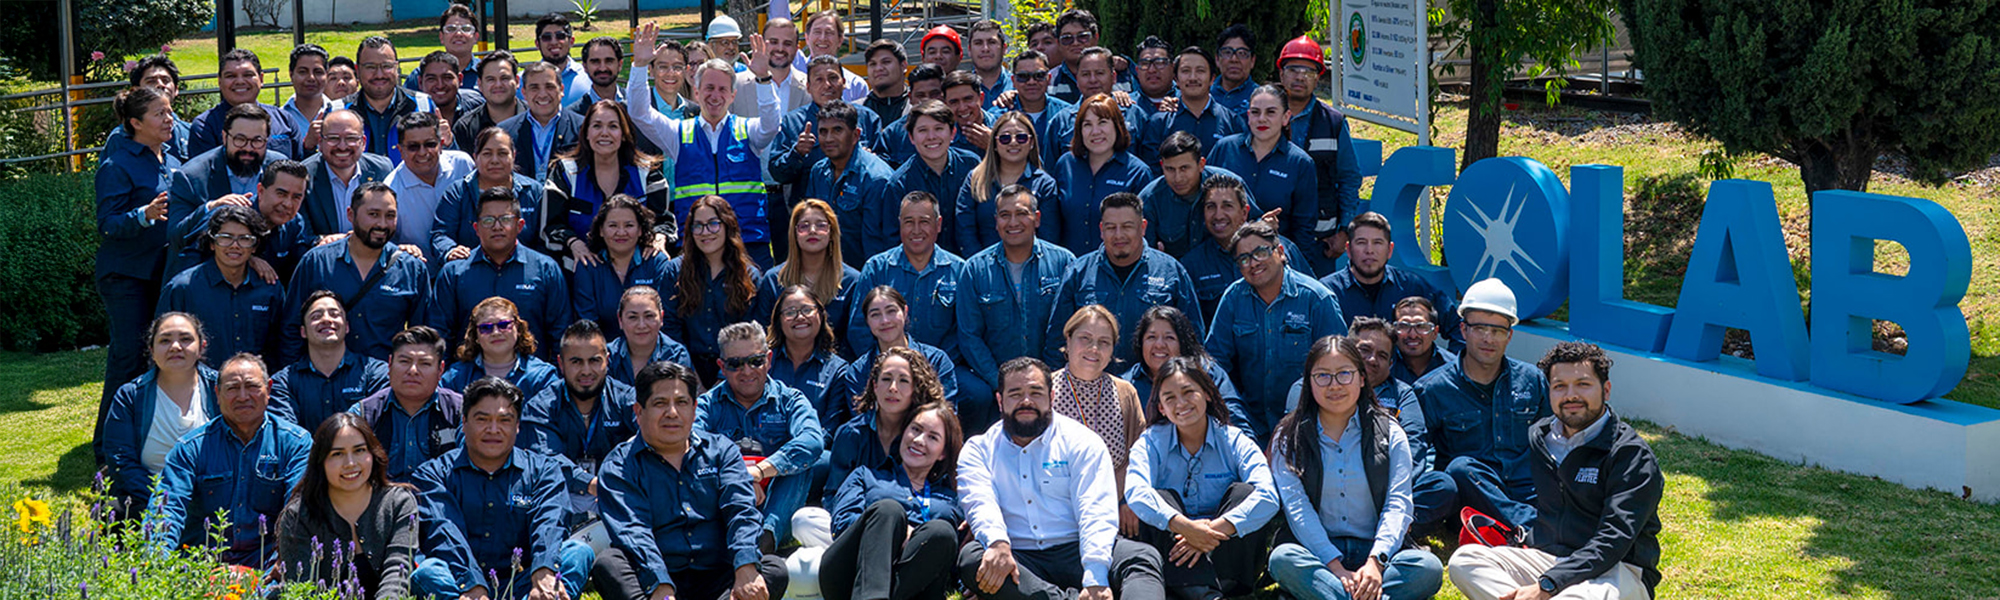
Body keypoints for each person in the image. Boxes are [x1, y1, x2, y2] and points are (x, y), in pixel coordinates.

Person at [1447, 342, 1664, 600]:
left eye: (1583, 384)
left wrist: (1550, 584)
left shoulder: (1631, 454)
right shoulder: (1541, 438)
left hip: (1618, 570)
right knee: (1465, 560)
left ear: (1606, 390)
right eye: (1560, 386)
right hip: (1553, 559)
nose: (1571, 395)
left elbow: (1614, 540)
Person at [954, 357, 1165, 600]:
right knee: (973, 558)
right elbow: (980, 504)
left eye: (1036, 392)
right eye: (1015, 394)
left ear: (1052, 397)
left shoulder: (1082, 442)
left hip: (1077, 547)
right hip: (1018, 556)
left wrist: (1096, 577)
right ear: (1000, 401)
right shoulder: (978, 450)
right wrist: (998, 543)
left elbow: (1095, 510)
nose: (1026, 401)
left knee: (1141, 557)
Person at [590, 360, 791, 600]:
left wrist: (745, 566)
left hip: (719, 576)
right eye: (660, 403)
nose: (672, 413)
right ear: (638, 412)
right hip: (655, 576)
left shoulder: (721, 451)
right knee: (609, 564)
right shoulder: (619, 466)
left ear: (694, 409)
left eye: (681, 403)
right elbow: (633, 533)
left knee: (772, 569)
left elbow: (741, 511)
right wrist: (660, 586)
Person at [1265, 336, 1446, 600]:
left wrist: (1376, 563)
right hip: (1317, 552)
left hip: (1377, 550)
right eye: (1322, 376)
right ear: (1308, 382)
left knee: (1427, 568)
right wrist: (1334, 567)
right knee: (1282, 559)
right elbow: (1297, 508)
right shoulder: (1288, 435)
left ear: (1362, 378)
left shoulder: (1390, 432)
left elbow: (1398, 504)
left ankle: (1332, 595)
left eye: (1344, 374)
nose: (1334, 385)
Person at [411, 377, 595, 600]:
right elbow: (444, 533)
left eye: (504, 420)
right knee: (429, 571)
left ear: (518, 426)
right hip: (461, 583)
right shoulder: (433, 474)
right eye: (482, 419)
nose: (493, 429)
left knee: (577, 553)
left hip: (525, 582)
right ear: (464, 421)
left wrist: (543, 571)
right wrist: (472, 585)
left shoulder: (543, 470)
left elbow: (550, 524)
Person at [626, 23, 786, 267]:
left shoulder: (748, 131)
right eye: (709, 88)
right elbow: (639, 112)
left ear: (732, 96)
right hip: (696, 244)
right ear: (697, 93)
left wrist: (764, 79)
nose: (715, 95)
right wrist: (638, 66)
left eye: (723, 89)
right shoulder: (678, 133)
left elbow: (772, 124)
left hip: (748, 243)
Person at [1124, 358, 1280, 599]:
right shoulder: (1150, 442)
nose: (1181, 403)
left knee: (1245, 493)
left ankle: (1199, 590)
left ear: (1207, 394)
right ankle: (1206, 593)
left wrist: (1210, 532)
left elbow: (1269, 495)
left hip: (1227, 560)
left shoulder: (1233, 439)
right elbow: (1135, 491)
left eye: (1189, 392)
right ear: (1161, 408)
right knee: (1159, 497)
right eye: (1170, 398)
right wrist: (1183, 526)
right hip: (1174, 554)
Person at [147, 353, 311, 567]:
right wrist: (157, 562)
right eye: (232, 388)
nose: (243, 396)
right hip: (201, 565)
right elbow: (168, 507)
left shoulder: (295, 444)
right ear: (217, 393)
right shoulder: (190, 448)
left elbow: (299, 511)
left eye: (252, 386)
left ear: (269, 389)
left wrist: (282, 562)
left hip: (269, 565)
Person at [1414, 278, 1549, 531]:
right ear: (1464, 330)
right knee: (1460, 467)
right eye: (1480, 329)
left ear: (1509, 335)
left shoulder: (1532, 380)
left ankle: (1511, 528)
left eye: (1498, 330)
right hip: (1472, 497)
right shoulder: (1432, 389)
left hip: (1528, 493)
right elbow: (1415, 455)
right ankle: (1531, 529)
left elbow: (1555, 441)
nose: (1488, 338)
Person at [1205, 221, 1345, 442]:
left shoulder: (1317, 299)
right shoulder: (1233, 298)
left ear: (1280, 252)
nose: (1253, 263)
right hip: (1249, 427)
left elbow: (1340, 367)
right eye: (1244, 258)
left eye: (1260, 252)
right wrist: (1236, 421)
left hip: (1311, 427)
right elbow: (1214, 364)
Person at [955, 185, 1074, 433]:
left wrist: (1046, 380)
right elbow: (969, 336)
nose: (1013, 222)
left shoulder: (1064, 263)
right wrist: (1000, 382)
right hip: (994, 386)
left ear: (1037, 218)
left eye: (1021, 213)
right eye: (1005, 215)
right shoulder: (975, 269)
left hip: (1054, 381)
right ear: (996, 221)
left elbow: (1069, 327)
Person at [698, 322, 828, 547]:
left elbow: (812, 441)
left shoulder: (790, 400)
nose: (747, 371)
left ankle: (765, 541)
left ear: (768, 360)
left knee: (806, 461)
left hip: (781, 501)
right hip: (726, 500)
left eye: (755, 361)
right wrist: (742, 477)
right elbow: (691, 444)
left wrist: (760, 471)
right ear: (722, 366)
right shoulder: (707, 405)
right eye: (735, 364)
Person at [819, 402, 966, 600]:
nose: (920, 440)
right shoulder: (866, 476)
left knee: (942, 531)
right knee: (888, 510)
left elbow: (956, 556)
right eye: (916, 429)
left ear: (943, 453)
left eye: (933, 437)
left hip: (913, 585)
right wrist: (893, 532)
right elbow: (841, 525)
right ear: (904, 432)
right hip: (849, 574)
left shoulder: (952, 501)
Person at [96, 87, 182, 420]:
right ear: (135, 122)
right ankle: (107, 451)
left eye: (170, 111)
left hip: (162, 273)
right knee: (128, 357)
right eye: (160, 114)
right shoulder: (117, 165)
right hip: (126, 276)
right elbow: (107, 223)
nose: (169, 119)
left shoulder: (172, 159)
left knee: (158, 359)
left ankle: (147, 435)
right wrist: (143, 215)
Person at [1044, 192, 1203, 368]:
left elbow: (1193, 341)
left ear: (1143, 227)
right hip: (1091, 388)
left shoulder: (1171, 272)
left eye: (1127, 226)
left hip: (1153, 388)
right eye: (1111, 227)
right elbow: (1056, 342)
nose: (1119, 235)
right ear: (1101, 229)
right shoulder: (1077, 273)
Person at [281, 182, 432, 363]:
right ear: (350, 215)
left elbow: (422, 337)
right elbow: (291, 328)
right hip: (325, 379)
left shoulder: (412, 269)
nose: (382, 224)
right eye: (373, 214)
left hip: (385, 382)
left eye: (390, 216)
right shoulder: (316, 262)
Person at [276, 413, 422, 600]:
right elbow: (302, 588)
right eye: (337, 454)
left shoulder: (398, 503)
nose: (350, 464)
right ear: (320, 462)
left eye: (359, 450)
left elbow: (397, 571)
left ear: (372, 454)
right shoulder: (298, 516)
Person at [99, 312, 219, 515]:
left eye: (186, 339)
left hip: (212, 498)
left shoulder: (221, 389)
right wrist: (163, 499)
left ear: (202, 347)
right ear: (151, 350)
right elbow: (120, 461)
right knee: (113, 512)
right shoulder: (130, 397)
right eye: (165, 340)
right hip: (149, 498)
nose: (175, 347)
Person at [430, 187, 572, 353]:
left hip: (531, 376)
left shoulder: (546, 270)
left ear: (520, 226)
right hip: (469, 374)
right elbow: (439, 336)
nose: (497, 227)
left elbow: (560, 334)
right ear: (476, 228)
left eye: (505, 219)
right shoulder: (453, 273)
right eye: (488, 220)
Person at [522, 319, 640, 515]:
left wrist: (614, 480)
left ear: (607, 361)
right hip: (560, 495)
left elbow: (651, 436)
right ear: (560, 363)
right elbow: (546, 459)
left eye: (594, 360)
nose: (586, 371)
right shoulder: (541, 406)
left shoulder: (628, 399)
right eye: (576, 362)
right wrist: (591, 483)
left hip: (618, 492)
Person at [846, 191, 970, 374]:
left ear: (938, 224)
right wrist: (888, 367)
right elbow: (859, 329)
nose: (916, 230)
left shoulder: (959, 271)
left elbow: (965, 331)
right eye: (909, 222)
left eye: (924, 222)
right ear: (900, 224)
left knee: (979, 394)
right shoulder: (877, 269)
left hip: (941, 369)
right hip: (884, 369)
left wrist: (935, 367)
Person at [1276, 35, 1367, 277]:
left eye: (1308, 71)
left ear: (1318, 77)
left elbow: (1349, 177)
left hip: (1319, 241)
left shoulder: (1333, 122)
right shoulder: (1263, 116)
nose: (1299, 77)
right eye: (1293, 69)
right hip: (1272, 235)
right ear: (1281, 74)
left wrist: (1344, 230)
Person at [542, 101, 671, 266]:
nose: (604, 133)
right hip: (579, 271)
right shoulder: (565, 172)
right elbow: (551, 225)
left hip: (637, 271)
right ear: (586, 133)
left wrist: (660, 237)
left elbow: (663, 221)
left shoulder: (646, 173)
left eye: (613, 126)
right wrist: (573, 242)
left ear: (623, 134)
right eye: (597, 126)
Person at [166, 103, 287, 276]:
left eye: (257, 141)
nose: (248, 148)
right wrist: (211, 208)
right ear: (224, 137)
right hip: (204, 278)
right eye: (240, 139)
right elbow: (175, 236)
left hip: (267, 276)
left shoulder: (278, 169)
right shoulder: (191, 176)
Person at [157, 205, 286, 368]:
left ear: (255, 246)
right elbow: (161, 345)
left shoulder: (269, 289)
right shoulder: (183, 288)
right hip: (197, 387)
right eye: (226, 237)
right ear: (212, 243)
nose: (235, 245)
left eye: (244, 239)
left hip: (251, 388)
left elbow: (280, 345)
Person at [1048, 306, 1146, 511]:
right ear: (1068, 339)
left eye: (1104, 342)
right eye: (1085, 338)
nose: (1094, 349)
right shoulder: (1043, 391)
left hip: (1112, 507)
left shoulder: (1126, 392)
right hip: (1053, 509)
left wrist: (1127, 501)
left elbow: (1139, 456)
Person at [664, 196, 770, 383]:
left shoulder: (749, 276)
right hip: (684, 369)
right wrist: (690, 379)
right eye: (698, 225)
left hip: (735, 370)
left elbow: (750, 331)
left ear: (728, 225)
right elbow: (670, 330)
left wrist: (724, 377)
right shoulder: (674, 271)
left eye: (713, 224)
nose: (705, 232)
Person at [1322, 212, 1464, 349]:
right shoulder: (1327, 292)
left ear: (1390, 250)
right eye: (1361, 242)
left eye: (1377, 242)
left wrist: (1449, 369)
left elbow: (1458, 328)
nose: (1369, 250)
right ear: (1348, 250)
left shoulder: (1411, 287)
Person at [167, 158, 317, 286]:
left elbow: (300, 266)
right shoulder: (226, 216)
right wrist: (243, 258)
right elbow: (186, 265)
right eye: (281, 194)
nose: (288, 204)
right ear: (261, 191)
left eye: (296, 197)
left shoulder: (294, 224)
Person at [1179, 176, 1310, 321]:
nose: (1218, 215)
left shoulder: (1280, 248)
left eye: (1227, 206)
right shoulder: (1192, 264)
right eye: (1211, 207)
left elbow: (1311, 298)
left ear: (1244, 212)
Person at [768, 58, 888, 215]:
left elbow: (886, 165)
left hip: (859, 216)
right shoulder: (793, 122)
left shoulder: (867, 118)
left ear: (844, 82)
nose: (827, 85)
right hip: (809, 219)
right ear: (808, 87)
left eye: (833, 78)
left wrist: (870, 159)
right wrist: (797, 153)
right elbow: (777, 173)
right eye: (819, 79)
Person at [347, 326, 463, 482]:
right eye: (404, 361)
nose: (413, 370)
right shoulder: (363, 414)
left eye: (424, 363)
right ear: (389, 364)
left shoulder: (461, 411)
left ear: (440, 370)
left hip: (443, 502)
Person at [826, 346, 949, 495]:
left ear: (916, 389)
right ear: (875, 386)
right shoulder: (851, 434)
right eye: (886, 379)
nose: (893, 388)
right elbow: (834, 493)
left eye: (903, 380)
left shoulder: (923, 438)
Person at [1206, 85, 1318, 245]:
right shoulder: (1224, 148)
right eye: (1255, 112)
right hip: (1219, 250)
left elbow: (1304, 228)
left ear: (1286, 118)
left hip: (1271, 256)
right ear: (1248, 116)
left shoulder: (1300, 163)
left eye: (1270, 112)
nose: (1262, 119)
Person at [840, 287, 962, 428]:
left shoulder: (937, 361)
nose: (885, 320)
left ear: (905, 312)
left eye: (891, 311)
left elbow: (946, 416)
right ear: (867, 321)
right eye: (875, 315)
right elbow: (862, 421)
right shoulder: (858, 372)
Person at [792, 101, 896, 267]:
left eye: (837, 130)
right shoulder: (818, 172)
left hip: (864, 274)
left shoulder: (876, 178)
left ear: (855, 135)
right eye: (823, 132)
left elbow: (877, 245)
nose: (828, 139)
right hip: (825, 272)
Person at [270, 291, 390, 432]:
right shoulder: (284, 383)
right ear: (303, 332)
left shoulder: (376, 374)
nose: (326, 320)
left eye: (335, 314)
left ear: (346, 327)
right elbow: (288, 438)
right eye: (316, 316)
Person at [1052, 94, 1152, 255]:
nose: (1095, 131)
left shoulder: (1138, 172)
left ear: (1118, 126)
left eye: (1103, 122)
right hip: (1071, 268)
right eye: (1087, 125)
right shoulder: (1065, 165)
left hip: (1119, 267)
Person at [433, 126, 549, 263]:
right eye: (487, 154)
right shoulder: (458, 192)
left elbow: (545, 239)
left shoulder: (533, 191)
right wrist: (450, 250)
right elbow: (441, 234)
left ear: (514, 155)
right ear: (475, 158)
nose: (495, 160)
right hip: (470, 270)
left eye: (502, 153)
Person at [883, 100, 983, 256]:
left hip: (970, 263)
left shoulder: (972, 165)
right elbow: (893, 239)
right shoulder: (899, 184)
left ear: (952, 133)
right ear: (911, 137)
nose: (931, 137)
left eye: (939, 129)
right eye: (923, 130)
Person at [955, 112, 1062, 251]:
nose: (1013, 142)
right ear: (994, 143)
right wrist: (981, 266)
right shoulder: (975, 180)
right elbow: (965, 231)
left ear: (1031, 143)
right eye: (1005, 138)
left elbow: (1049, 234)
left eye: (1021, 137)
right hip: (983, 268)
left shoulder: (1045, 184)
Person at [383, 111, 477, 266]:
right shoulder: (391, 190)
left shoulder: (463, 164)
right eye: (413, 147)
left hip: (470, 267)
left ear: (441, 144)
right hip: (422, 275)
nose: (422, 152)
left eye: (430, 144)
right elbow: (388, 242)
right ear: (400, 151)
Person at [573, 195, 673, 333]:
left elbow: (667, 319)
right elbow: (588, 324)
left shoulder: (656, 262)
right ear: (601, 230)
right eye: (613, 225)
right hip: (604, 351)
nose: (621, 232)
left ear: (640, 230)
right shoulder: (588, 266)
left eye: (629, 225)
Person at [1120, 306, 1242, 417]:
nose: (1159, 345)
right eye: (1151, 337)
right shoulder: (1127, 384)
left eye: (1169, 337)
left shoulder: (1207, 372)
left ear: (1182, 343)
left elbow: (1234, 416)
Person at [763, 199, 861, 338]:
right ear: (794, 233)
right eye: (804, 226)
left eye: (821, 225)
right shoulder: (773, 280)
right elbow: (764, 332)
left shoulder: (852, 281)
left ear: (831, 232)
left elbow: (856, 335)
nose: (812, 231)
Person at [1139, 132, 1243, 258]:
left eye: (1184, 168)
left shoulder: (1228, 185)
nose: (1178, 178)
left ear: (1201, 165)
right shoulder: (1150, 199)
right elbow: (1144, 252)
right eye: (1170, 169)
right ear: (1162, 166)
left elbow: (1254, 221)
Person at [1044, 48, 1149, 170]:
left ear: (1113, 77)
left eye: (1099, 73)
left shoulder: (1135, 115)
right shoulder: (1061, 121)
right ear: (1077, 80)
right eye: (1085, 74)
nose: (1093, 80)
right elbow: (1051, 172)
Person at [1144, 47, 1242, 175]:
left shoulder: (1233, 122)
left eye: (1200, 71)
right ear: (1176, 80)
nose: (1193, 77)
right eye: (1186, 71)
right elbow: (1153, 170)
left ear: (1212, 79)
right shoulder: (1160, 123)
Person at [440, 296, 561, 396]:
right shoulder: (455, 377)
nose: (496, 333)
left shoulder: (542, 377)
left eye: (503, 325)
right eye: (486, 328)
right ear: (475, 335)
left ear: (517, 328)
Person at [188, 49, 297, 159]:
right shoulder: (205, 126)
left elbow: (299, 166)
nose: (240, 81)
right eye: (231, 76)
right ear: (219, 82)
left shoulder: (284, 120)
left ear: (261, 79)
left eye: (248, 75)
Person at [300, 109, 395, 237]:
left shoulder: (382, 169)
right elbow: (301, 235)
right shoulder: (303, 176)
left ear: (363, 143)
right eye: (333, 138)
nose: (342, 146)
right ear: (320, 142)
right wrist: (322, 241)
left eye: (351, 138)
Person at [767, 286, 852, 427]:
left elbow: (830, 428)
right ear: (778, 320)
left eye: (807, 310)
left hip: (814, 447)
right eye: (790, 312)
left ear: (821, 315)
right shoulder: (762, 361)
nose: (800, 317)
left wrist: (799, 448)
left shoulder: (838, 371)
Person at [347, 37, 435, 163]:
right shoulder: (339, 110)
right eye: (370, 67)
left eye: (386, 66)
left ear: (396, 67)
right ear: (357, 69)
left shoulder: (423, 105)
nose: (379, 74)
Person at [497, 62, 585, 180]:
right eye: (534, 88)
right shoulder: (505, 131)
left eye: (549, 87)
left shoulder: (582, 127)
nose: (542, 94)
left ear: (561, 90)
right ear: (524, 93)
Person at [996, 50, 1076, 171]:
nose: (1031, 82)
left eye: (1039, 76)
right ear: (1013, 81)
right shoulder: (998, 117)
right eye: (1023, 77)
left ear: (1049, 78)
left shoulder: (1068, 115)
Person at [103, 55, 192, 162]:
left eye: (166, 80)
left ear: (176, 89)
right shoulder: (121, 137)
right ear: (135, 91)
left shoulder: (189, 132)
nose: (160, 85)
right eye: (151, 81)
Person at [607, 286, 694, 386]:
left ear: (661, 318)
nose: (641, 325)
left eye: (649, 316)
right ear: (620, 320)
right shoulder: (608, 356)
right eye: (633, 317)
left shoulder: (676, 356)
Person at [731, 18, 811, 119]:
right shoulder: (735, 85)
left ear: (796, 49)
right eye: (773, 42)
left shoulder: (810, 87)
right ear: (761, 44)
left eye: (787, 44)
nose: (780, 49)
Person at [401, 3, 483, 91]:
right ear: (441, 37)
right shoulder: (420, 75)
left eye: (466, 29)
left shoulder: (486, 73)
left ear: (476, 37)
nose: (459, 34)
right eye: (451, 29)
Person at [453, 51, 524, 152]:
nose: (498, 85)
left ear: (517, 81)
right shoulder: (465, 128)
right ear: (480, 84)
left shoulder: (535, 119)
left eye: (504, 78)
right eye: (491, 79)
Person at [794, 10, 871, 102]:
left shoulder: (856, 86)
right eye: (817, 32)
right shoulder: (793, 77)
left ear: (840, 40)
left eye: (829, 32)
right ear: (807, 38)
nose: (823, 38)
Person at [283, 44, 338, 159]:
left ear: (327, 75)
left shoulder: (341, 112)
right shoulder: (280, 119)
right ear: (291, 74)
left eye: (318, 72)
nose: (311, 78)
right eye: (303, 72)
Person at [415, 52, 485, 140]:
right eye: (431, 79)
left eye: (447, 78)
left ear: (460, 79)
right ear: (420, 82)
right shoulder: (411, 112)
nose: (440, 85)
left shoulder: (477, 105)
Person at [1391, 297, 1457, 385]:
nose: (1413, 335)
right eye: (1404, 326)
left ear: (1434, 332)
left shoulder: (1453, 368)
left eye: (1421, 326)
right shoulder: (1383, 365)